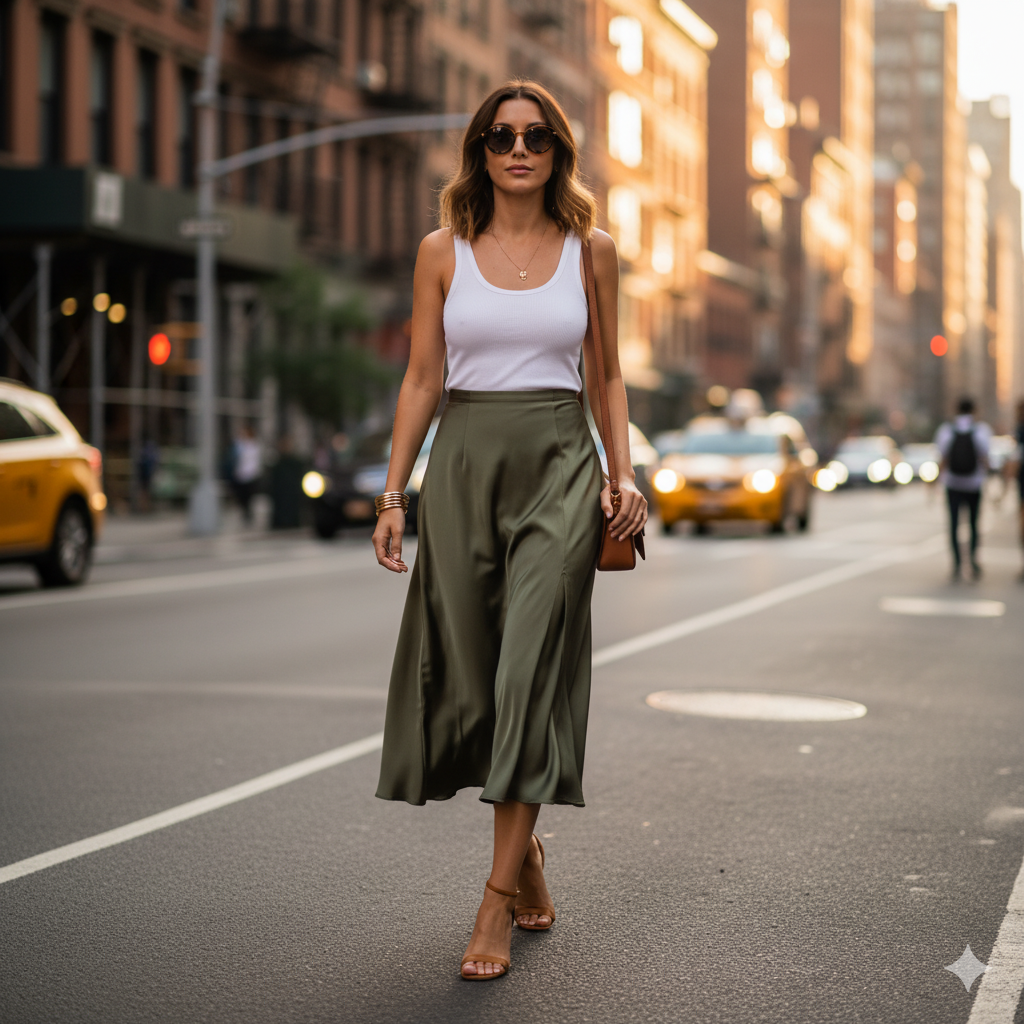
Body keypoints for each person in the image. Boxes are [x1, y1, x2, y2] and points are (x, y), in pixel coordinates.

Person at [371, 80, 647, 981]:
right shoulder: (440, 251)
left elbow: (607, 376)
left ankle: (491, 904)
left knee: (531, 671)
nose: (517, 148)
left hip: (561, 470)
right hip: (461, 471)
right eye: (499, 136)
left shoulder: (591, 250)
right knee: (478, 686)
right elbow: (421, 379)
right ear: (480, 151)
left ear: (557, 149)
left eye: (534, 136)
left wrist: (623, 473)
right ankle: (526, 857)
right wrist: (392, 495)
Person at [934, 397, 991, 580]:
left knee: (954, 524)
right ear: (974, 410)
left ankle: (957, 563)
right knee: (974, 524)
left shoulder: (946, 430)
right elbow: (985, 458)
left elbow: (942, 459)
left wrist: (933, 483)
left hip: (953, 484)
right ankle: (973, 560)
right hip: (974, 485)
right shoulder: (981, 430)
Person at [232, 425, 262, 525]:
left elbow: (255, 461)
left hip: (250, 475)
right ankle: (245, 512)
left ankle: (248, 514)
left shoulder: (254, 446)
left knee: (249, 497)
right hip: (240, 475)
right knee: (241, 496)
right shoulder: (239, 445)